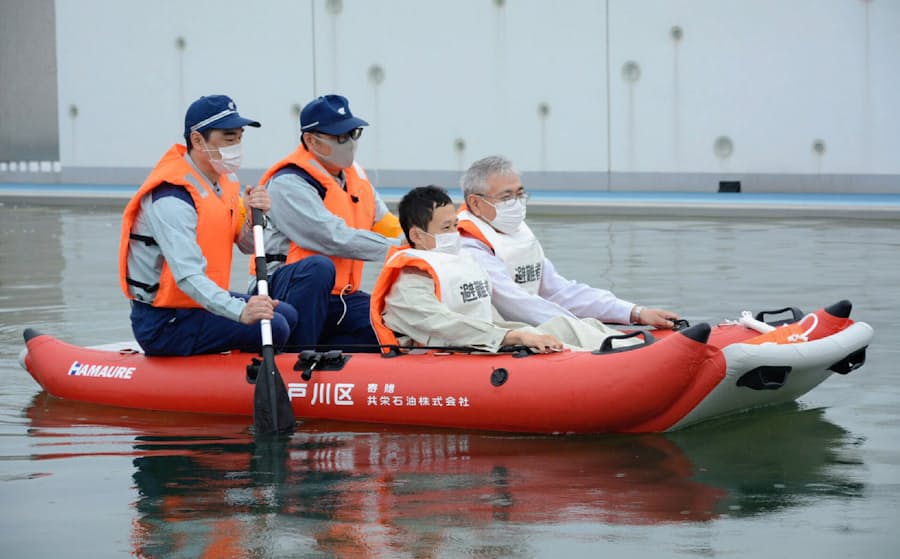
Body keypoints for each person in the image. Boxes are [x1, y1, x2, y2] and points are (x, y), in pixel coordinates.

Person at [119, 94, 297, 356]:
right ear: (197, 140)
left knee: (287, 313)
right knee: (276, 326)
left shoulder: (222, 182)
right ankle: (236, 380)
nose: (236, 144)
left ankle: (250, 367)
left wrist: (254, 216)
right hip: (165, 323)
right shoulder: (172, 198)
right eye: (228, 137)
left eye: (239, 136)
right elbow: (188, 276)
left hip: (199, 307)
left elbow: (247, 246)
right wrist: (241, 311)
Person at [371, 186, 635, 353]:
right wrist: (512, 336)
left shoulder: (461, 263)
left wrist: (519, 332)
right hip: (446, 352)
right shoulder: (408, 284)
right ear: (417, 235)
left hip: (484, 340)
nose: (455, 234)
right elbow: (444, 326)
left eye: (455, 226)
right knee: (542, 340)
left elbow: (485, 314)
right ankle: (614, 361)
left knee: (563, 326)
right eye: (446, 229)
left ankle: (633, 347)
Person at [458, 155, 680, 329]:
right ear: (476, 204)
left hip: (532, 331)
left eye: (520, 194)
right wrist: (584, 328)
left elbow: (560, 292)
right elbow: (517, 304)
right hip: (496, 339)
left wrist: (634, 312)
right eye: (507, 197)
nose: (516, 204)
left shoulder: (516, 233)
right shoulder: (469, 245)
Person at [254, 94, 401, 349]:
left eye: (354, 134)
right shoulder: (289, 182)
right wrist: (401, 250)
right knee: (318, 269)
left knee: (385, 325)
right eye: (341, 137)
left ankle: (330, 361)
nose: (350, 144)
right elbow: (332, 237)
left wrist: (420, 243)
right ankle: (296, 360)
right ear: (311, 140)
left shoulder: (356, 174)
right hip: (288, 291)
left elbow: (386, 223)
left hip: (340, 296)